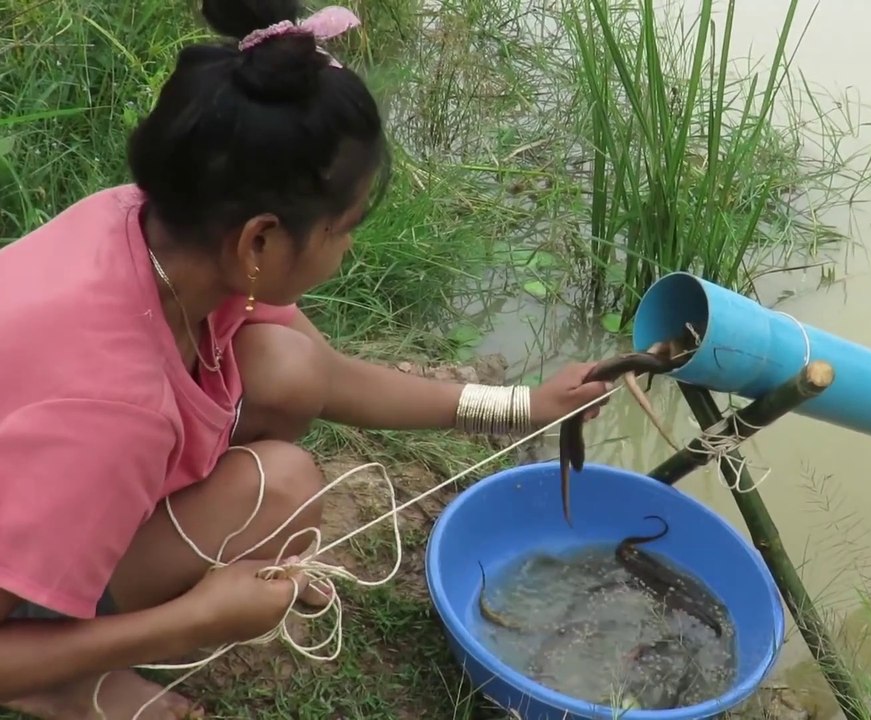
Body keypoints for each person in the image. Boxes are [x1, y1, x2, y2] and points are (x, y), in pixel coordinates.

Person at [0, 0, 614, 717]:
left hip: (54, 471)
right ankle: (54, 680)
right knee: (281, 488)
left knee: (286, 374)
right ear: (260, 241)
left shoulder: (158, 230)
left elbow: (328, 377)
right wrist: (195, 618)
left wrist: (523, 408)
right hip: (54, 508)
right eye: (343, 228)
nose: (347, 250)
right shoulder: (116, 412)